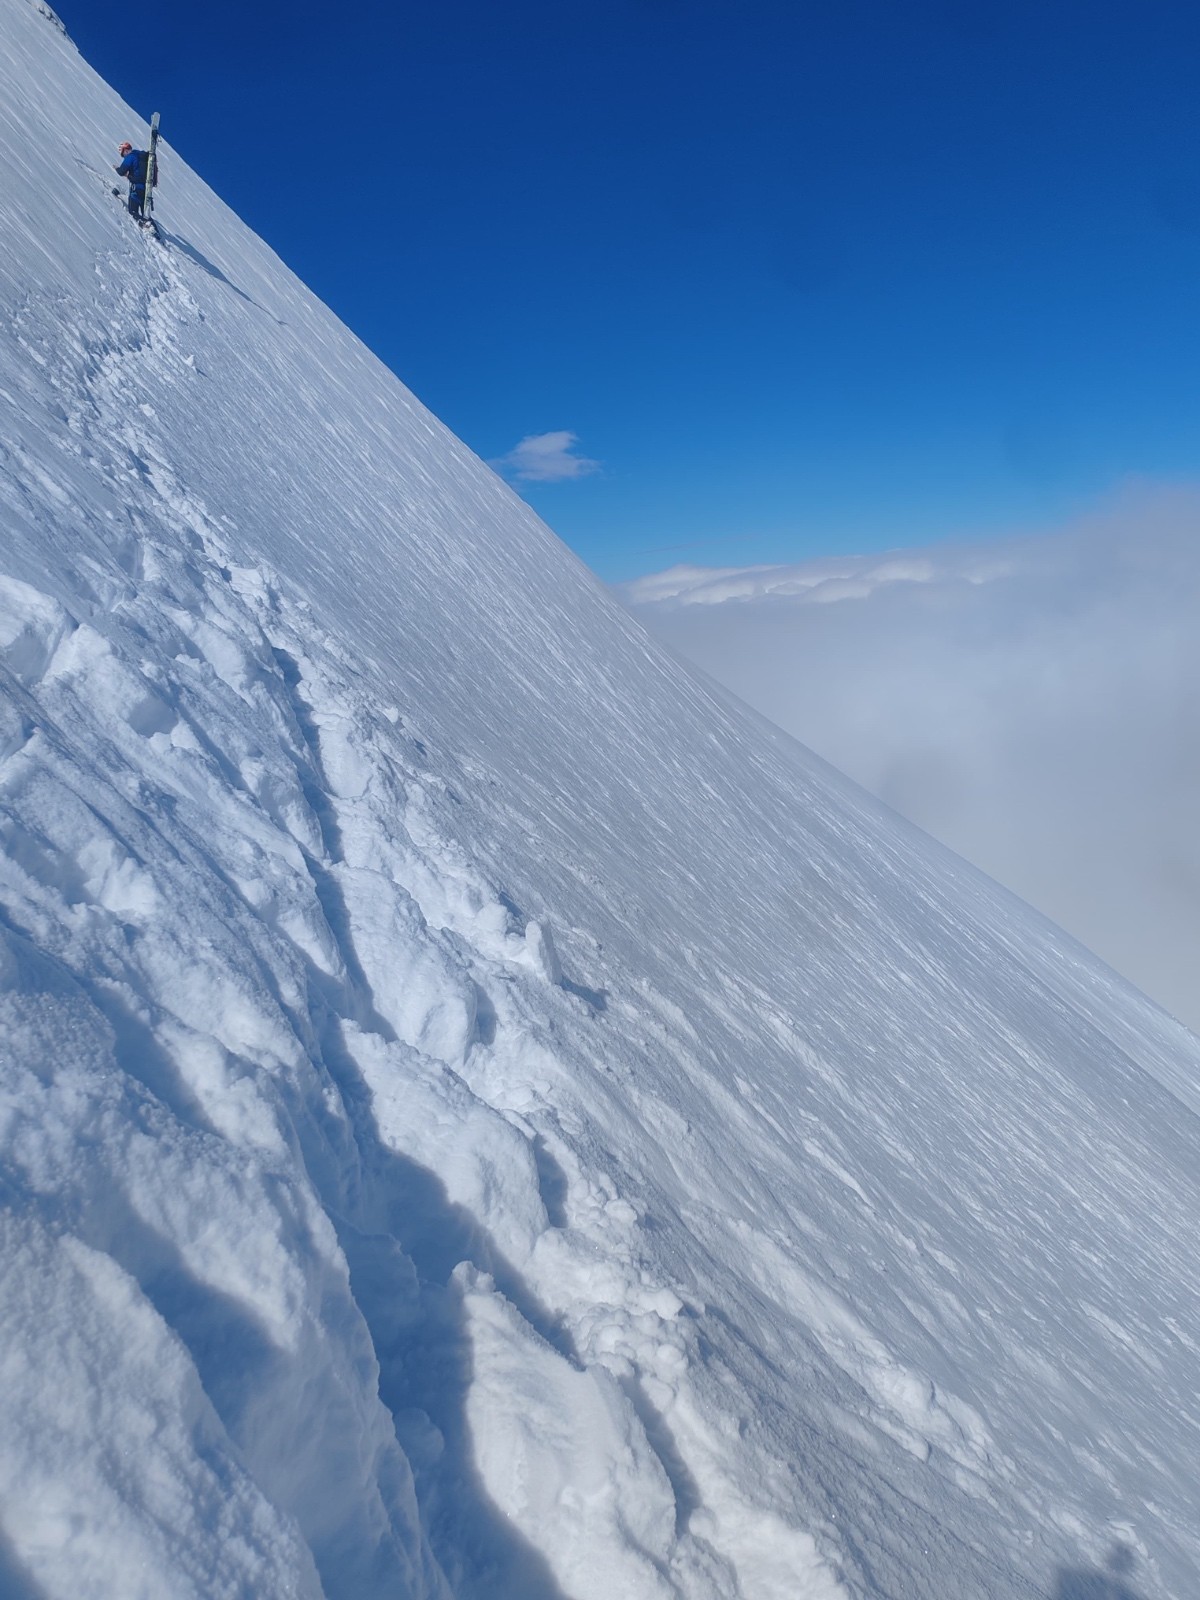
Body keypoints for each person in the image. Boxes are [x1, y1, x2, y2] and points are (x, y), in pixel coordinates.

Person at [113, 140, 150, 222]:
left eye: (123, 154)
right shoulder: (141, 156)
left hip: (136, 188)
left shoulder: (131, 156)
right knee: (146, 214)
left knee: (133, 212)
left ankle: (145, 225)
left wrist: (117, 168)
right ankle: (154, 231)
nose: (124, 157)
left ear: (125, 150)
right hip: (146, 189)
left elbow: (122, 171)